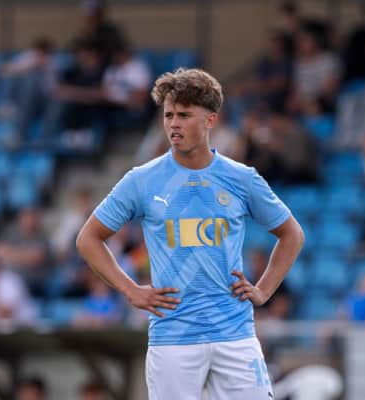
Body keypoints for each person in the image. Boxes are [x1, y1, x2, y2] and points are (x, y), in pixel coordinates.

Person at [76, 68, 304, 400]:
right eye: (168, 115)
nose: (173, 124)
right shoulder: (142, 180)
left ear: (211, 120)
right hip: (172, 337)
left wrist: (264, 290)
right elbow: (88, 238)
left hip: (234, 334)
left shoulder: (242, 178)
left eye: (184, 115)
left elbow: (291, 234)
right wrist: (129, 289)